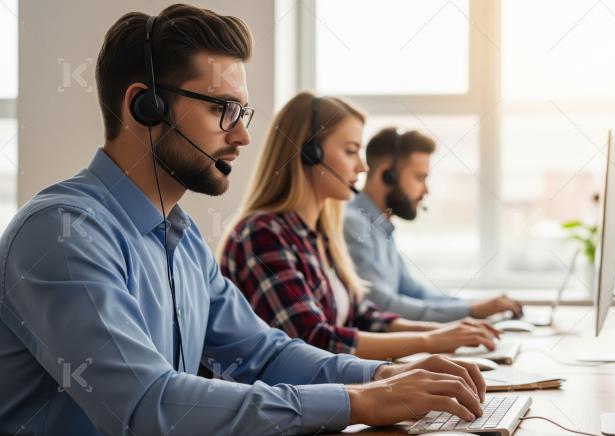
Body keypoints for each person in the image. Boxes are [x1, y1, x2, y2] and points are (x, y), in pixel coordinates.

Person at [0, 5, 487, 435]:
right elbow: (146, 406)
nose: (242, 137)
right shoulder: (63, 234)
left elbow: (263, 354)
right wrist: (355, 402)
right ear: (143, 107)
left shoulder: (184, 242)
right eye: (222, 110)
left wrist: (381, 378)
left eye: (243, 113)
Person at [218, 92, 500, 361]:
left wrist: (447, 334)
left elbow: (365, 317)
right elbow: (313, 340)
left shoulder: (321, 235)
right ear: (309, 153)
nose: (363, 168)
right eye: (351, 151)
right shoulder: (263, 234)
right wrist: (430, 342)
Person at [343, 127, 524, 322]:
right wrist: (470, 311)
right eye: (420, 178)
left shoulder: (381, 227)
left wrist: (474, 305)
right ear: (388, 175)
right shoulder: (354, 225)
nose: (426, 190)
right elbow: (383, 306)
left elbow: (414, 291)